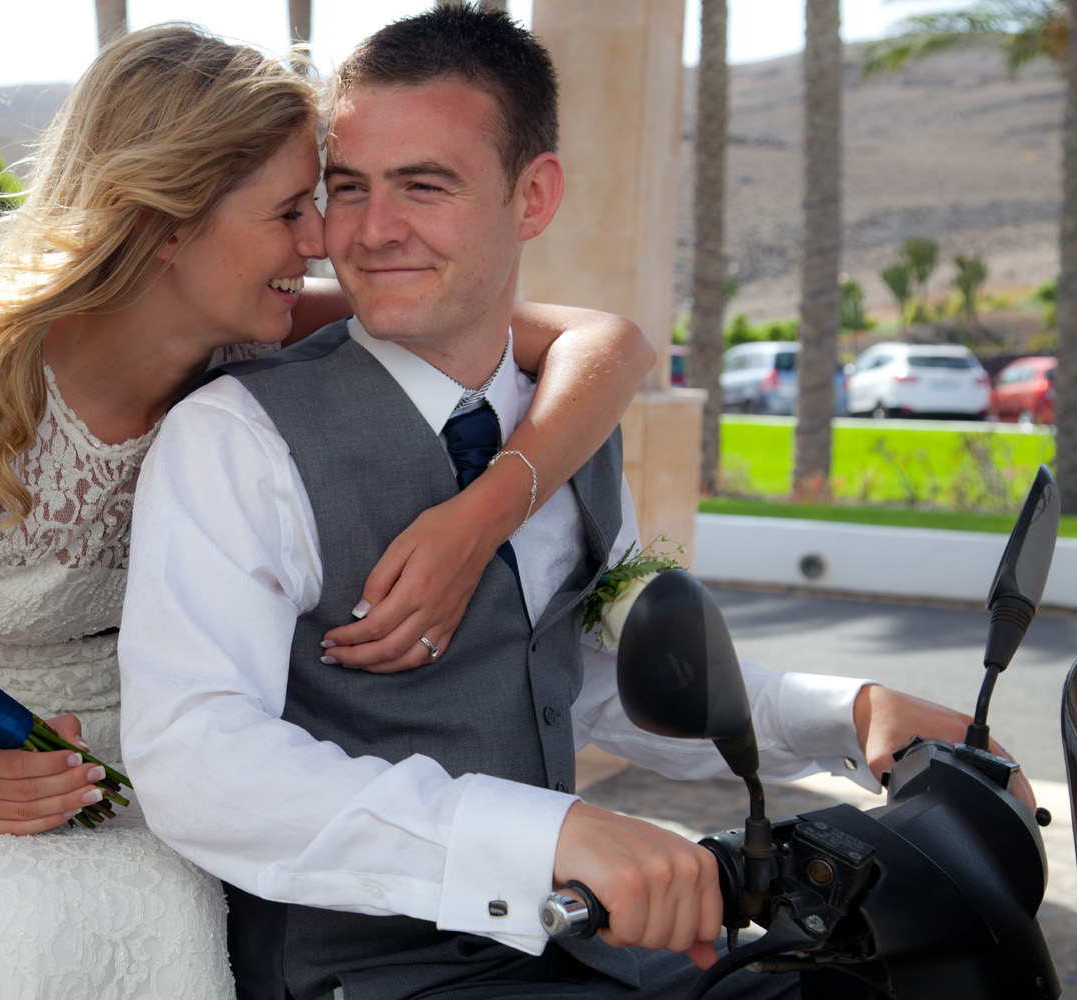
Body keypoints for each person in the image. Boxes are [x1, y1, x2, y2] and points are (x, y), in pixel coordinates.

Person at [117, 8, 1035, 1000]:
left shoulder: (569, 431)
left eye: (425, 186)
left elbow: (597, 679)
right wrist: (546, 835)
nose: (372, 231)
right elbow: (197, 758)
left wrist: (848, 714)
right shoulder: (238, 438)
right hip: (374, 974)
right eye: (348, 190)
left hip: (579, 953)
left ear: (534, 195)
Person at [0, 22, 656, 1000]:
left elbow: (608, 344)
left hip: (135, 784)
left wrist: (481, 517)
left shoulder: (260, 334)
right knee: (43, 922)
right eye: (288, 213)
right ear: (165, 224)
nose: (323, 244)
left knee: (188, 904)